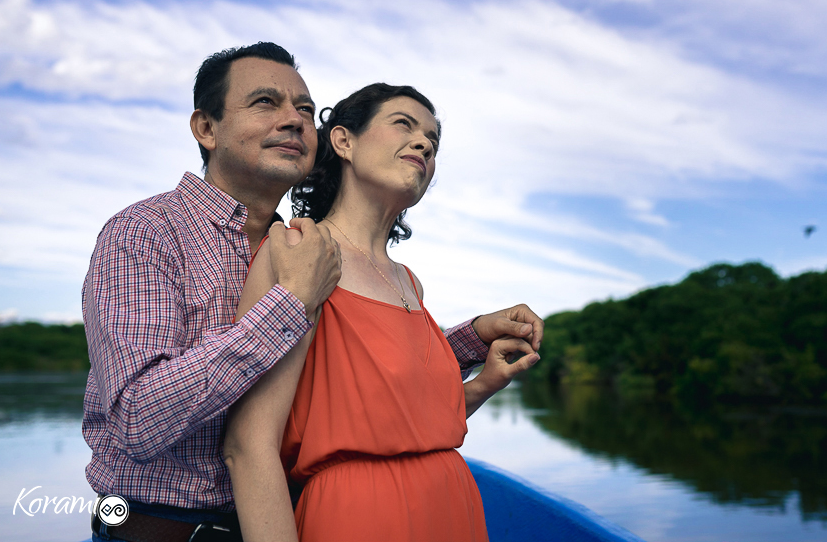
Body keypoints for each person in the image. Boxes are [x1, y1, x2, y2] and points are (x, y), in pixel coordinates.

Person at [82, 43, 544, 542]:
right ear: (206, 128)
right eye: (265, 103)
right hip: (164, 530)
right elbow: (136, 417)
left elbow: (351, 381)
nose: (295, 121)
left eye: (304, 109)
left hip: (286, 516)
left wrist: (472, 340)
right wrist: (293, 304)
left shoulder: (306, 247)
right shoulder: (146, 232)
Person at [223, 83, 541, 542]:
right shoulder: (297, 252)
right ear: (344, 141)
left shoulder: (410, 281)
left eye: (432, 140)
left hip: (453, 509)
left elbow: (398, 429)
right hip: (359, 518)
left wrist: (484, 384)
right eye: (403, 125)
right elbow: (249, 447)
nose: (424, 144)